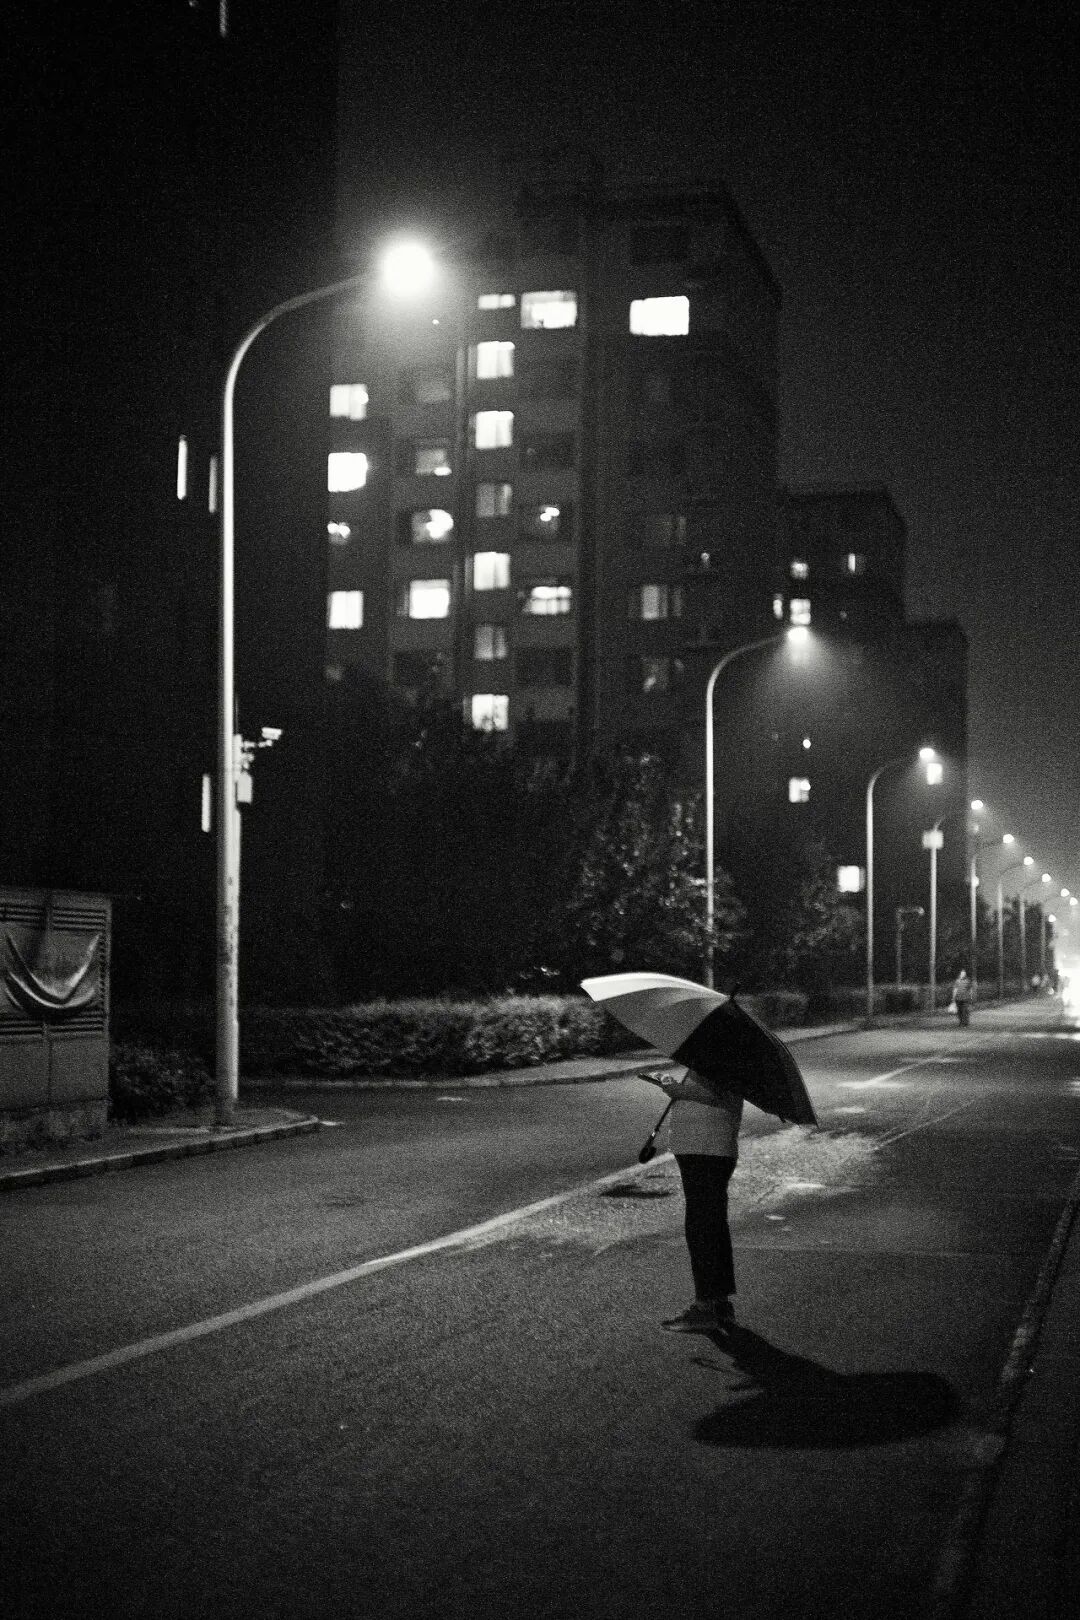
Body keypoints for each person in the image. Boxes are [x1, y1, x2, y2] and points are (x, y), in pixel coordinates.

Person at [641, 1065, 743, 1334]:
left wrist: (679, 1090)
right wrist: (680, 1087)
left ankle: (706, 1307)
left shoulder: (721, 1053)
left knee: (702, 1228)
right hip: (704, 1148)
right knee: (712, 1226)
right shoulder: (714, 1054)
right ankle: (718, 1303)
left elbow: (718, 1093)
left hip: (706, 1148)